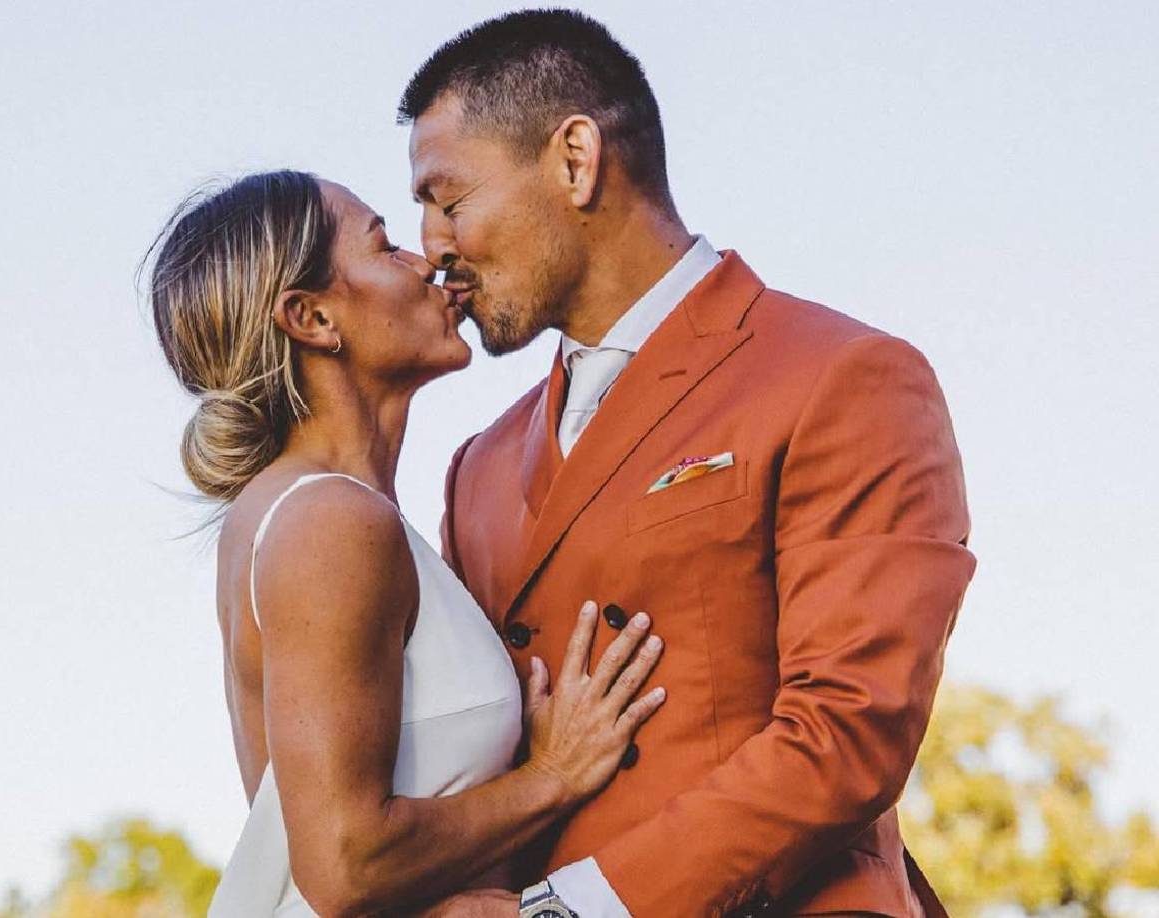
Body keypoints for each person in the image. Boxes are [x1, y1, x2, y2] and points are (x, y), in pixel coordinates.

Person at [403, 9, 976, 917]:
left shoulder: (842, 375)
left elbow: (850, 729)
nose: (433, 247)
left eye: (448, 199)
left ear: (576, 159)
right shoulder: (478, 467)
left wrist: (569, 910)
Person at [145, 170, 668, 917]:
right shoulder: (329, 521)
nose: (427, 262)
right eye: (385, 246)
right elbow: (344, 865)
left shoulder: (298, 513)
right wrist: (550, 778)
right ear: (312, 317)